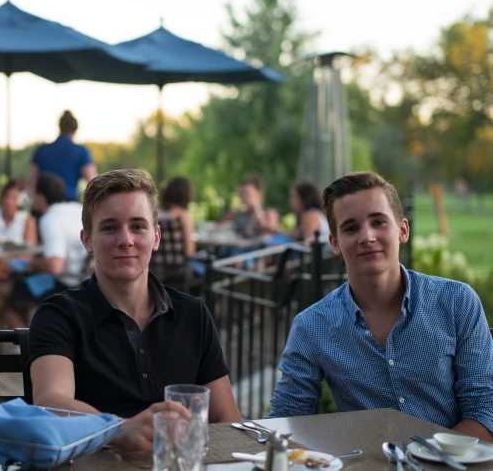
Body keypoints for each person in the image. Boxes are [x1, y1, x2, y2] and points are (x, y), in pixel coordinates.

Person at [268, 171, 493, 442]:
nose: (367, 236)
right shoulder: (312, 326)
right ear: (335, 243)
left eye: (378, 222)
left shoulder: (457, 302)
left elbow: (484, 411)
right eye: (351, 228)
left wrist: (422, 461)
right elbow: (287, 418)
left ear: (403, 230)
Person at [28, 169, 241, 453]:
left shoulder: (193, 314)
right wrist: (118, 430)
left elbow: (226, 420)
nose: (125, 239)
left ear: (156, 237)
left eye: (138, 226)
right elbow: (50, 402)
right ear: (87, 240)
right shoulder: (59, 314)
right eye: (109, 227)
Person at [0, 173, 86, 329]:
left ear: (40, 197)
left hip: (65, 285)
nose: (29, 197)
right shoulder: (77, 209)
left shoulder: (50, 219)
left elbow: (55, 267)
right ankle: (25, 337)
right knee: (19, 286)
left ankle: (27, 343)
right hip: (84, 281)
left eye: (32, 194)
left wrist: (29, 265)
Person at [29, 110, 97, 201]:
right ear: (74, 130)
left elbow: (31, 181)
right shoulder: (81, 151)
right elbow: (92, 181)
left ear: (59, 127)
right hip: (69, 202)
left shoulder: (42, 150)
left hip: (44, 203)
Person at [0, 179, 37, 245]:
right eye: (6, 197)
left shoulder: (27, 221)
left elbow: (30, 250)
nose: (9, 202)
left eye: (14, 198)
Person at [221, 173, 279, 238]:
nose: (243, 198)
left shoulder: (270, 213)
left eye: (246, 194)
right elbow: (217, 227)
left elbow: (269, 233)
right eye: (241, 194)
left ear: (259, 193)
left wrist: (256, 210)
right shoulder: (236, 214)